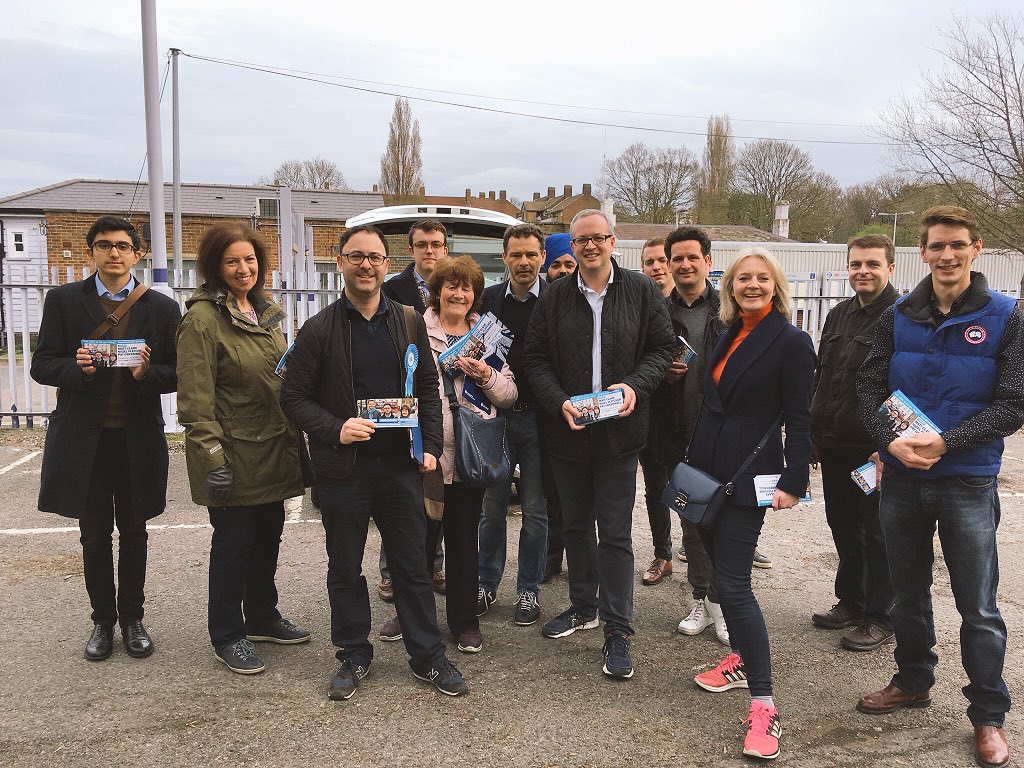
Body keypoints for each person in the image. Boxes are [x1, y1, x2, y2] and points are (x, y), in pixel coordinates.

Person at [855, 206, 1023, 768]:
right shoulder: (898, 313)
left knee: (977, 606)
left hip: (967, 481)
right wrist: (889, 439)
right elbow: (868, 386)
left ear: (976, 249)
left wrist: (949, 442)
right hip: (901, 478)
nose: (946, 256)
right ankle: (912, 679)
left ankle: (988, 716)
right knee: (907, 593)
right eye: (936, 247)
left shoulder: (1007, 315)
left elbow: (1014, 403)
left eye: (957, 245)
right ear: (922, 253)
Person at [280, 224, 468, 700]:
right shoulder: (320, 328)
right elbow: (293, 396)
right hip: (344, 472)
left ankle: (427, 656)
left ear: (387, 264)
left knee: (412, 567)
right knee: (345, 567)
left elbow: (428, 386)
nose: (366, 264)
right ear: (340, 262)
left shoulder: (407, 321)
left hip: (402, 467)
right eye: (356, 256)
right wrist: (334, 427)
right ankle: (353, 654)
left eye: (375, 257)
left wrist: (429, 445)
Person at [524, 209, 675, 679]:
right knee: (574, 526)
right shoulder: (553, 299)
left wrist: (634, 387)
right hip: (568, 432)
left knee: (613, 533)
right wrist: (558, 402)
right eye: (581, 241)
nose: (589, 247)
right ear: (572, 246)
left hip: (619, 435)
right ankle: (583, 606)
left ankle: (617, 628)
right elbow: (533, 358)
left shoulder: (642, 290)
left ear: (613, 242)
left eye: (598, 239)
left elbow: (662, 349)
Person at [31, 215, 180, 662]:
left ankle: (133, 618)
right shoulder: (63, 300)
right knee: (93, 534)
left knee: (135, 532)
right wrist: (73, 368)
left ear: (137, 253)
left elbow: (178, 372)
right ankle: (102, 620)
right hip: (83, 440)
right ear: (91, 252)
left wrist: (146, 373)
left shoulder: (162, 307)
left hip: (136, 439)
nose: (113, 253)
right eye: (103, 245)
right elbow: (42, 364)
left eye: (122, 245)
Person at [688, 247, 815, 760]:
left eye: (762, 278)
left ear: (776, 285)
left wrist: (795, 479)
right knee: (720, 573)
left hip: (749, 475)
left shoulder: (791, 341)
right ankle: (739, 661)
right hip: (706, 469)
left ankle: (764, 705)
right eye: (744, 278)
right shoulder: (725, 333)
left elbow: (800, 418)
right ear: (730, 286)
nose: (753, 285)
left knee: (735, 585)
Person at [176, 223, 310, 675]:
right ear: (216, 266)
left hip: (272, 447)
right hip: (233, 454)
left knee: (268, 537)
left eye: (250, 260)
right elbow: (195, 400)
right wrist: (212, 457)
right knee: (233, 546)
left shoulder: (262, 309)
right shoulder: (201, 320)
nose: (243, 268)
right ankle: (227, 633)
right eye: (232, 261)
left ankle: (262, 616)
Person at [381, 255, 517, 652]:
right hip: (424, 457)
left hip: (470, 458)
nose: (459, 294)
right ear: (437, 291)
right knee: (417, 543)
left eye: (467, 288)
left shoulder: (488, 335)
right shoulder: (413, 329)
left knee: (462, 543)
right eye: (451, 286)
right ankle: (411, 616)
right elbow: (395, 385)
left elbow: (510, 394)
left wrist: (485, 374)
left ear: (475, 295)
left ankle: (463, 622)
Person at [810, 234, 899, 651]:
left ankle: (882, 616)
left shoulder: (902, 317)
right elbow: (823, 376)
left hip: (873, 450)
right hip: (835, 444)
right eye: (856, 264)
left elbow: (905, 388)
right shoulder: (839, 315)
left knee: (878, 531)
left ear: (890, 269)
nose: (863, 271)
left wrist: (888, 444)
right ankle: (852, 600)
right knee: (843, 523)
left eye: (872, 264)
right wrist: (811, 432)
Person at [651, 227, 729, 645]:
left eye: (691, 257)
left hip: (723, 436)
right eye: (676, 258)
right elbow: (641, 367)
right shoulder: (657, 313)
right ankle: (702, 598)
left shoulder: (729, 310)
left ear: (707, 262)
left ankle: (723, 602)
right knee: (692, 523)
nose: (684, 265)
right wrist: (662, 373)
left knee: (727, 524)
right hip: (676, 435)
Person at [478, 223, 550, 626]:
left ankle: (528, 591)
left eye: (531, 255)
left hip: (540, 419)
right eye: (516, 255)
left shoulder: (559, 299)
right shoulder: (486, 300)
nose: (524, 262)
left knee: (537, 509)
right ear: (504, 258)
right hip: (495, 419)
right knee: (491, 508)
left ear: (542, 257)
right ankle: (486, 583)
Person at [379, 219, 448, 601]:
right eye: (422, 245)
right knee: (399, 495)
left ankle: (434, 565)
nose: (430, 251)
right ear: (412, 250)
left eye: (436, 244)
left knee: (432, 488)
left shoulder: (454, 287)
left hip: (437, 402)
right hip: (400, 401)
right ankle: (390, 572)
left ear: (445, 249)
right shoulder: (392, 290)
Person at [637, 237, 675, 587]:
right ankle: (663, 553)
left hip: (689, 413)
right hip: (650, 412)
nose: (657, 267)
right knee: (655, 487)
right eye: (650, 262)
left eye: (662, 260)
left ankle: (705, 552)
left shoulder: (693, 306)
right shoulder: (641, 305)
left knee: (697, 486)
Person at [540, 232, 576, 582]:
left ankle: (572, 556)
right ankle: (550, 558)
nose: (563, 271)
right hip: (547, 409)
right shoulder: (542, 303)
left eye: (569, 264)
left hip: (581, 411)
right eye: (556, 265)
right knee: (549, 494)